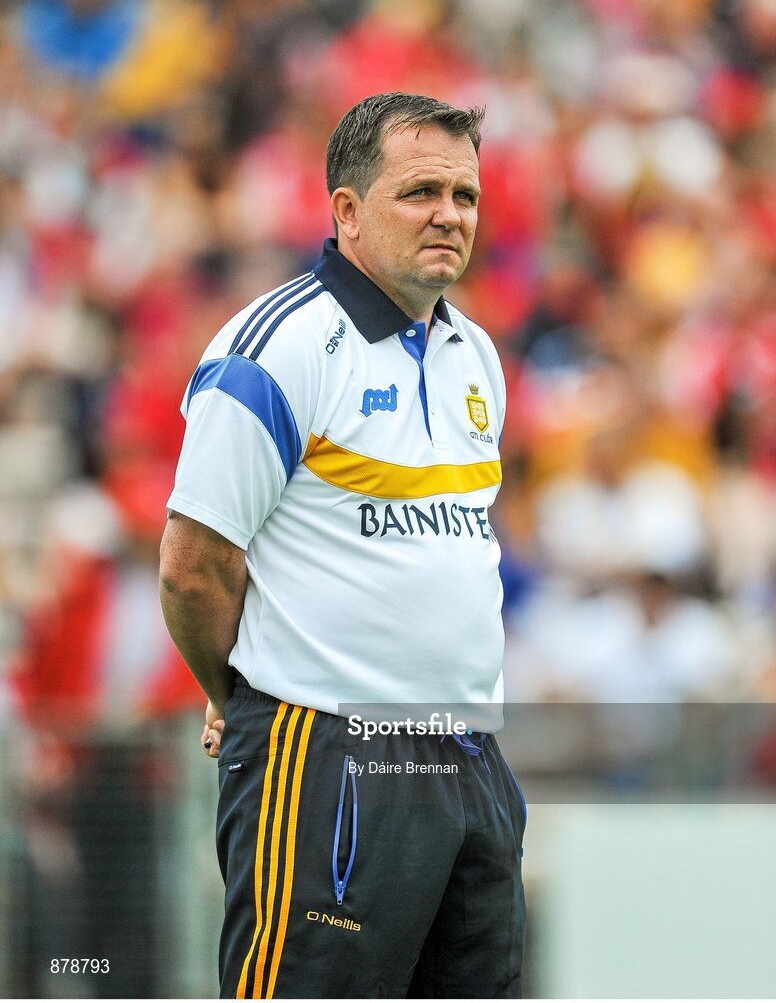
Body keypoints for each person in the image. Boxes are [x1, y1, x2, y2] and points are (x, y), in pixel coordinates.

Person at [159, 92, 526, 999]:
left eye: (465, 196)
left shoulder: (476, 354)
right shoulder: (278, 346)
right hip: (326, 753)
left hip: (470, 755)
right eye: (420, 192)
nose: (449, 215)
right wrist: (237, 693)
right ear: (348, 211)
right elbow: (193, 566)